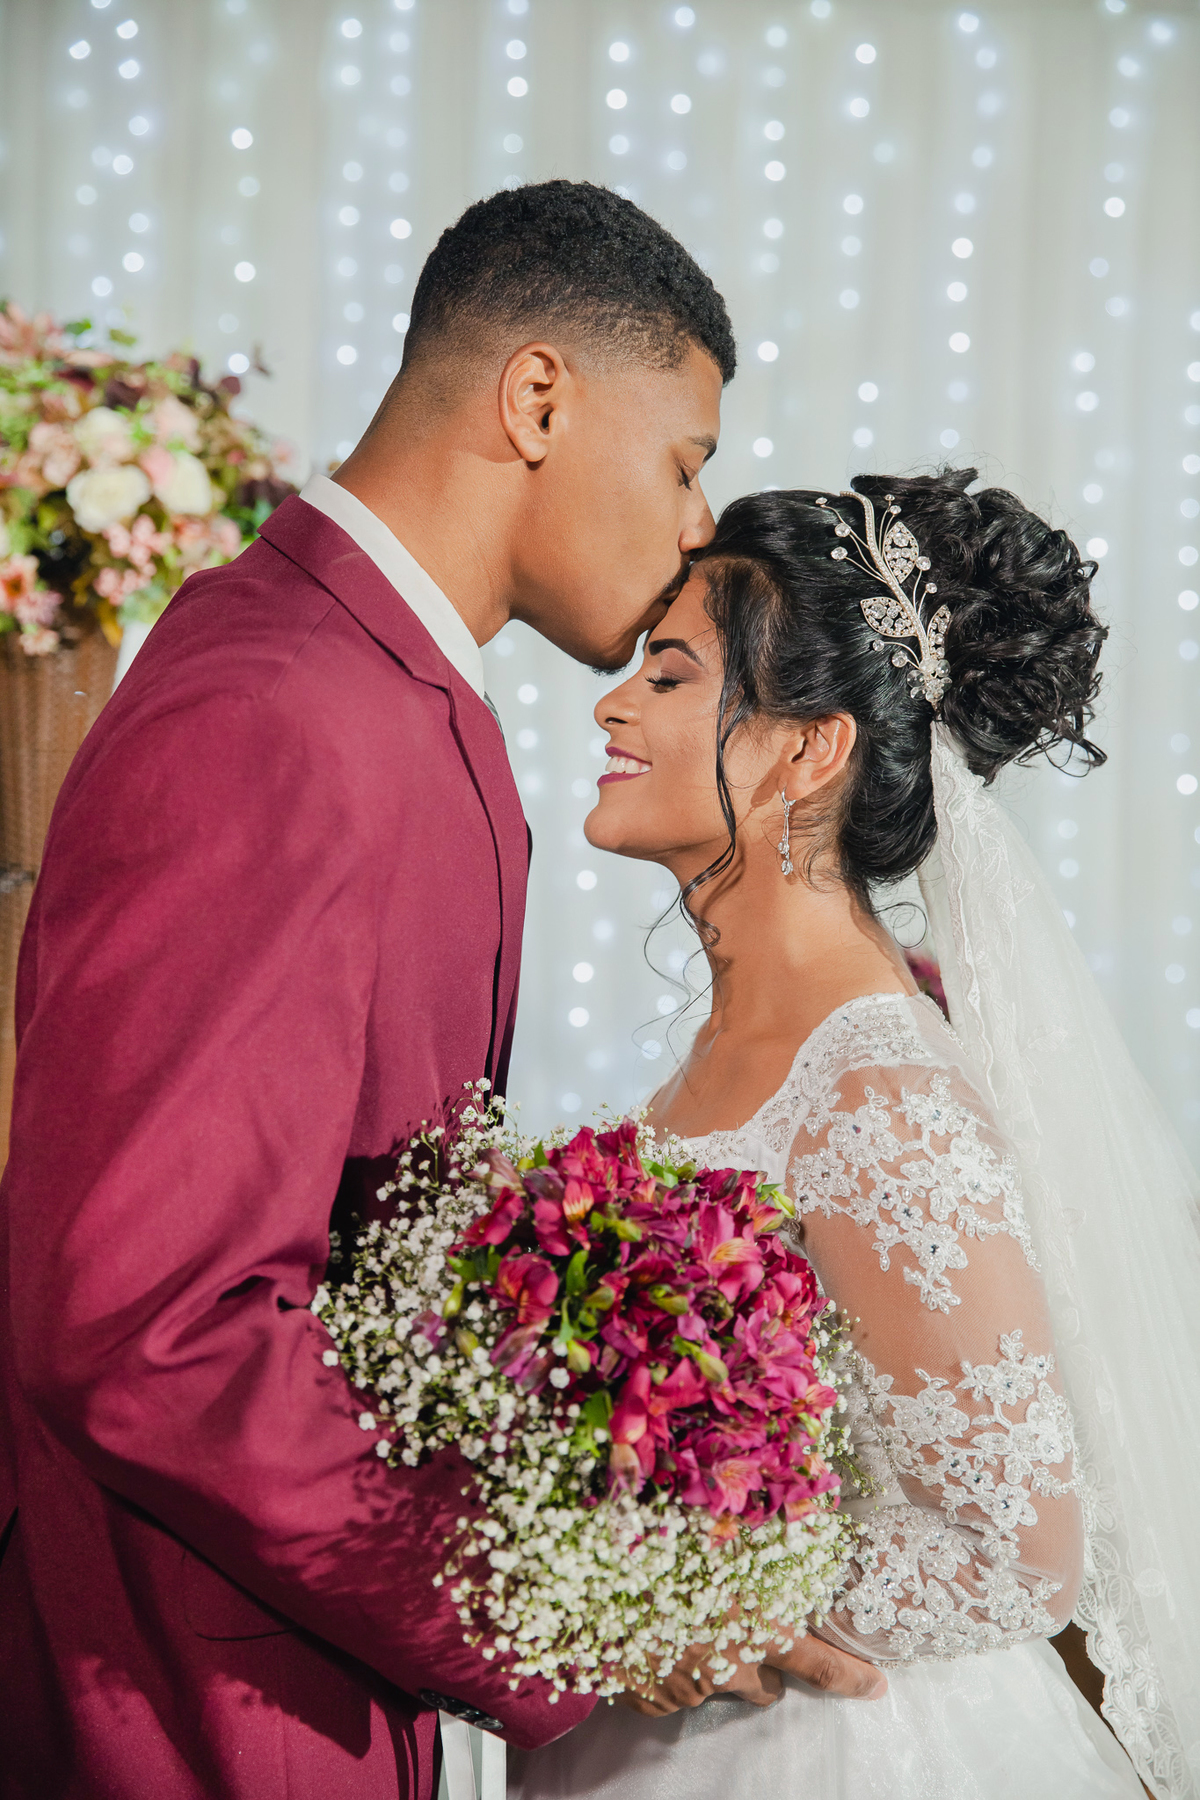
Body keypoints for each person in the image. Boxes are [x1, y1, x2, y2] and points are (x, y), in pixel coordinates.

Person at [0, 182, 880, 1800]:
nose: (699, 519)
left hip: (312, 1655)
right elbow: (147, 1322)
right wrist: (559, 1608)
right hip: (189, 1698)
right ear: (538, 398)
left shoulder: (402, 699)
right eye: (685, 458)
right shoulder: (273, 709)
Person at [510, 470, 1200, 1800]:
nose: (610, 703)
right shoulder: (724, 1056)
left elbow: (1021, 1549)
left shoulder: (878, 1093)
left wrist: (671, 1591)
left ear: (807, 748)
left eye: (667, 676)